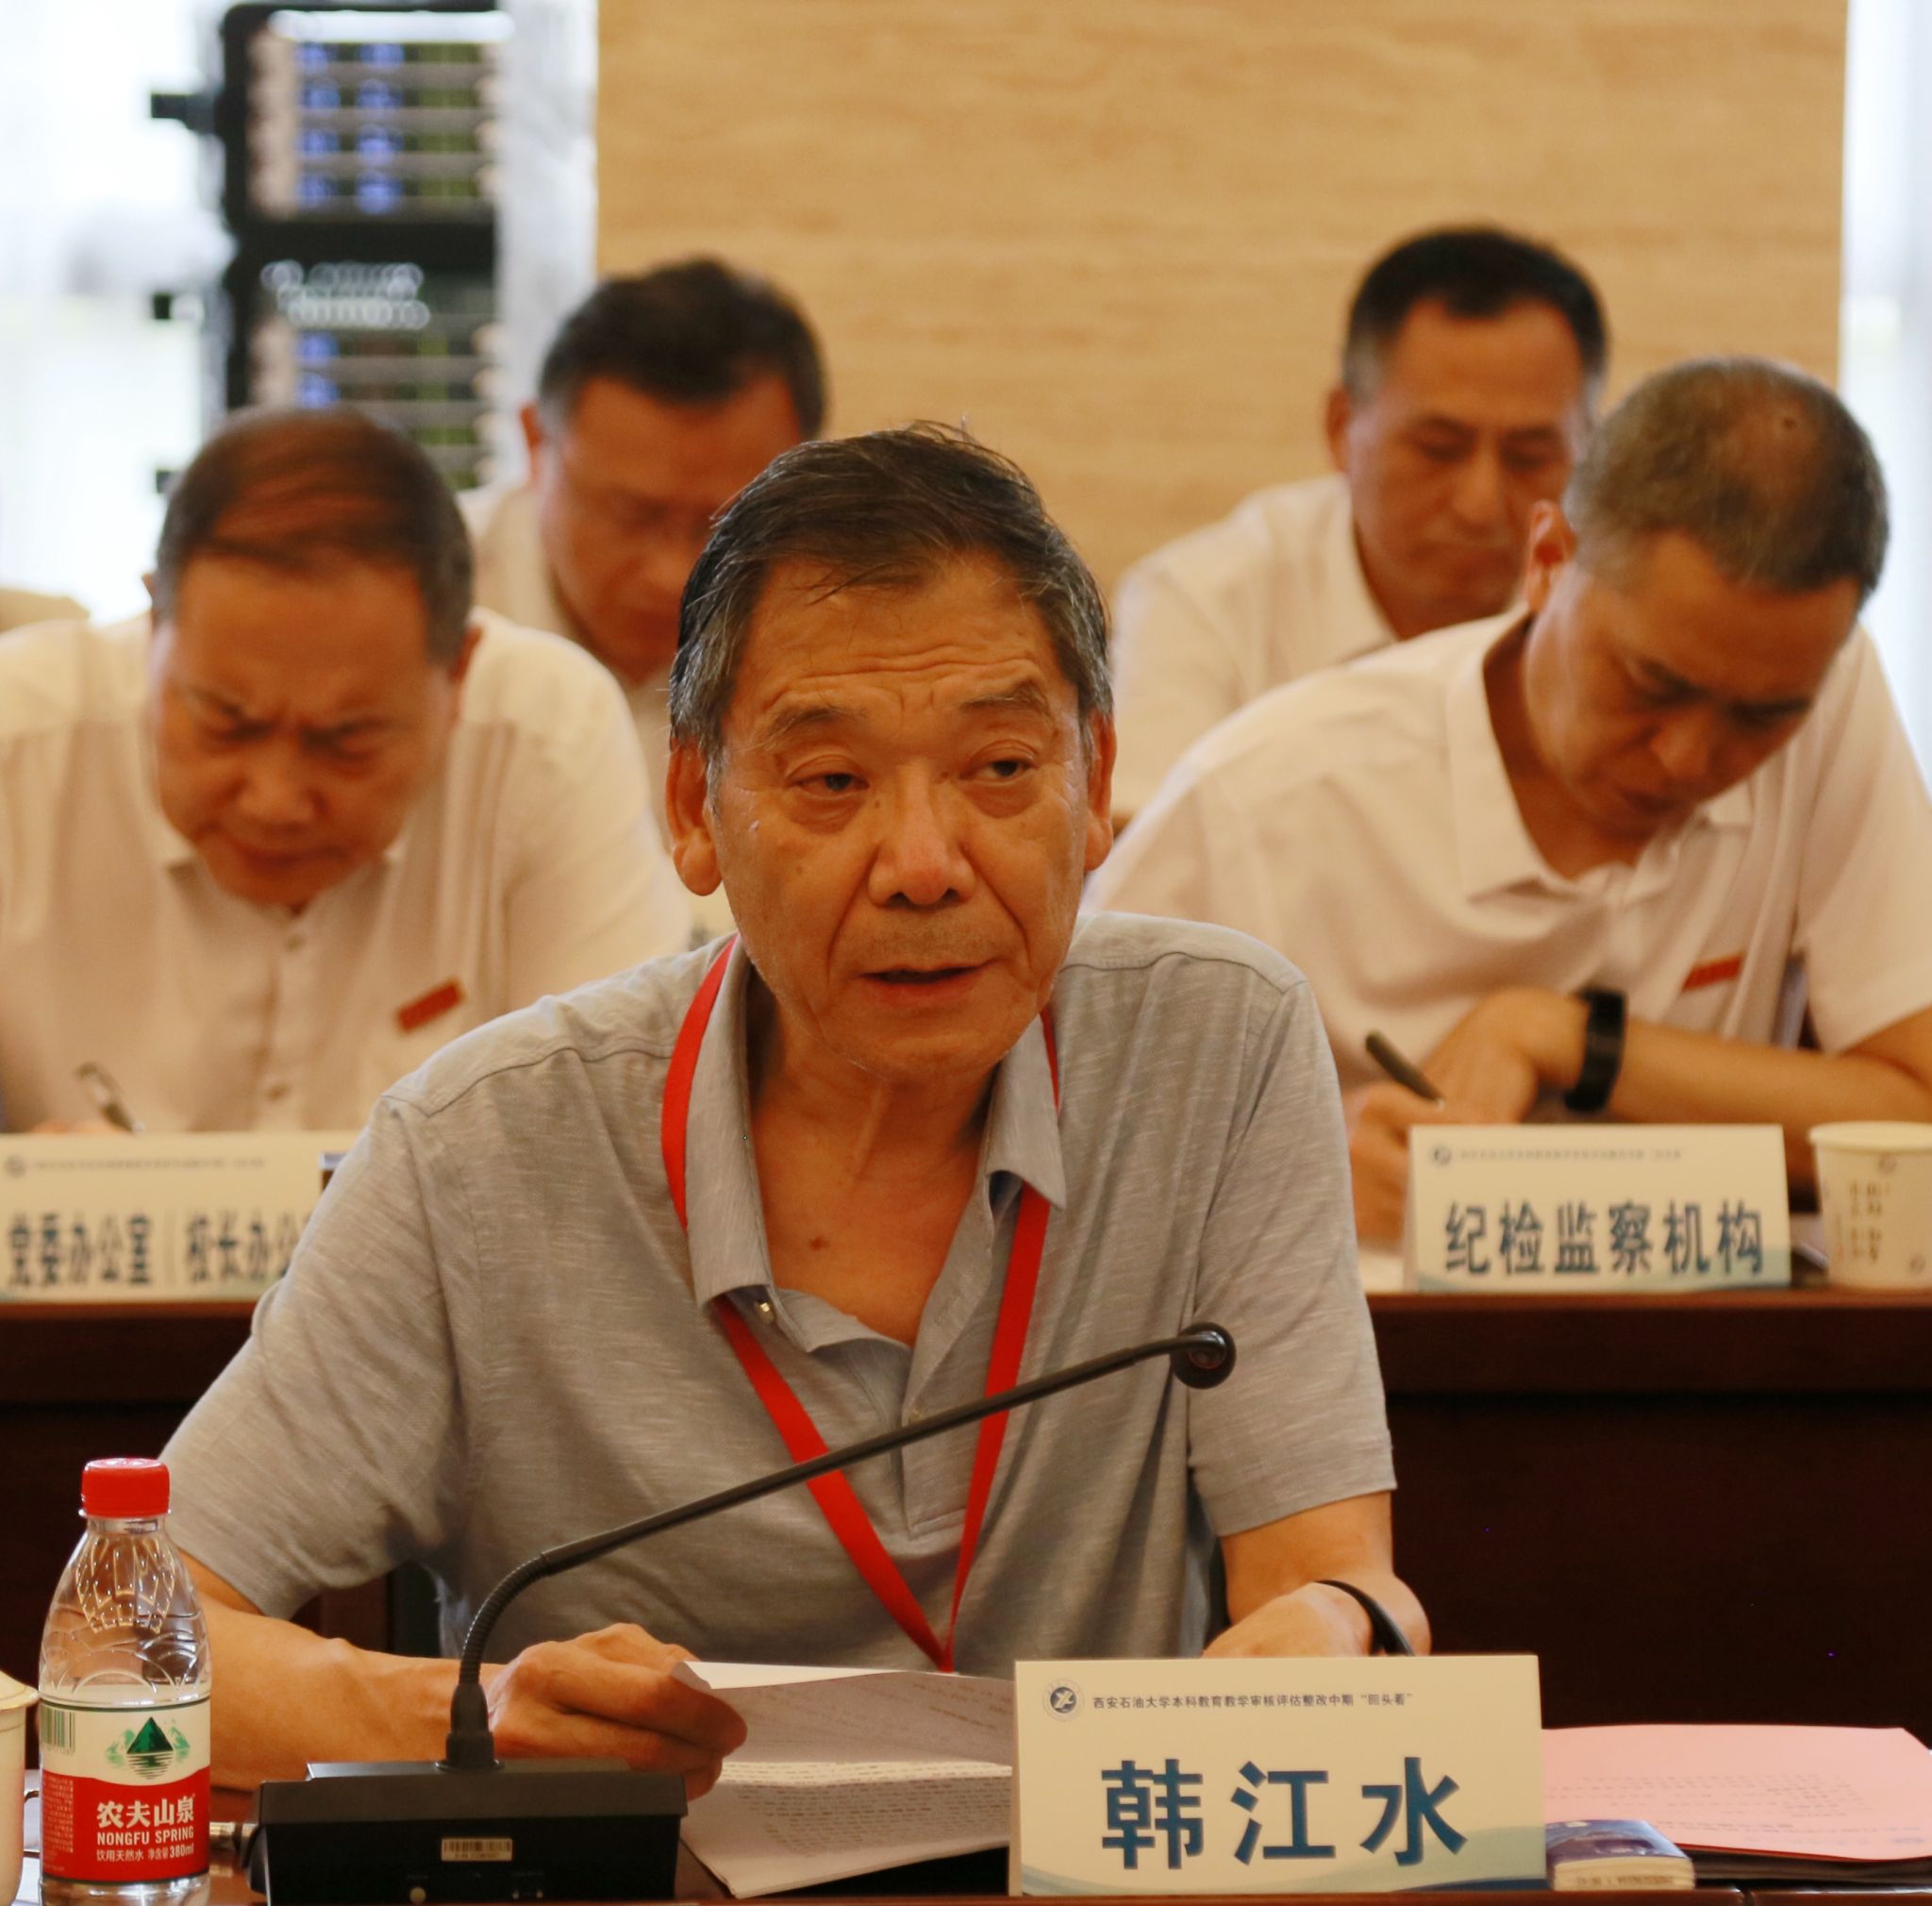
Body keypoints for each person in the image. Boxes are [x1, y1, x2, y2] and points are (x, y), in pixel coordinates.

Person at [161, 424, 1423, 1793]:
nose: (926, 864)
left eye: (1001, 769)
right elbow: (129, 1637)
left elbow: (1334, 1581)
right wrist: (474, 1715)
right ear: (693, 808)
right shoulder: (479, 1150)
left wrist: (1337, 1628)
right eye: (832, 782)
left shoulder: (1217, 1048)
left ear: (1097, 779)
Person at [1091, 357, 1932, 1241]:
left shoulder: (1825, 693)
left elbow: (1914, 1115)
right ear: (1548, 562)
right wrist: (1288, 1172)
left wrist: (1567, 1036)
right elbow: (1061, 1140)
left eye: (1762, 717)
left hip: (1693, 1321)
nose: (1688, 757)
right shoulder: (1259, 799)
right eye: (1651, 684)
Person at [0, 406, 691, 1133]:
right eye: (227, 724)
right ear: (153, 628)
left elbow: (614, 1130)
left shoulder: (544, 736)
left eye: (347, 741)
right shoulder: (19, 737)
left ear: (459, 673)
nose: (274, 800)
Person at [1110, 226, 1606, 821]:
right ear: (1341, 427)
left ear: (1593, 452)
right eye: (1438, 449)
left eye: (1529, 457)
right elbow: (1148, 850)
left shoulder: (1619, 611)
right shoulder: (1203, 601)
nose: (1479, 503)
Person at [464, 259, 823, 846]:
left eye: (725, 526)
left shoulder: (850, 629)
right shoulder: (423, 610)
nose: (673, 576)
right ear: (535, 443)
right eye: (630, 516)